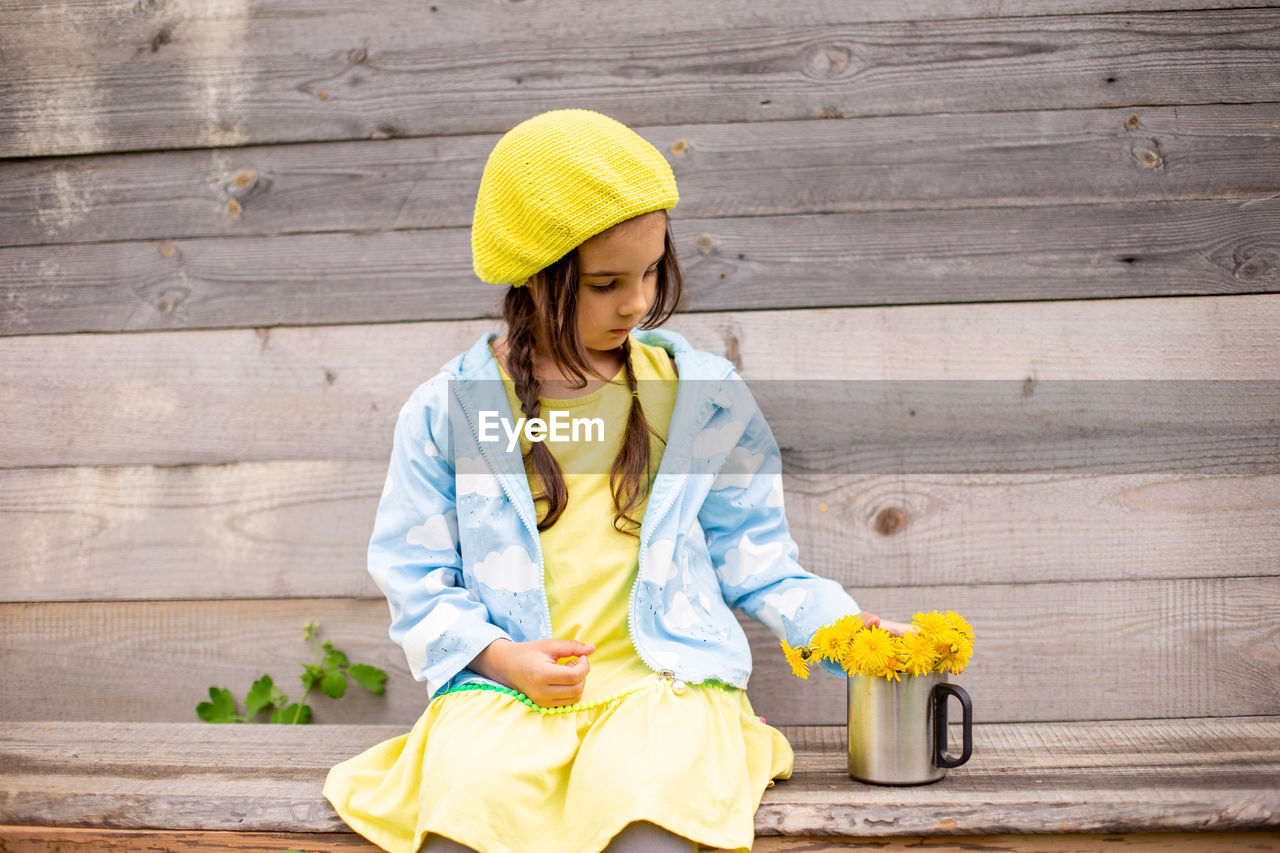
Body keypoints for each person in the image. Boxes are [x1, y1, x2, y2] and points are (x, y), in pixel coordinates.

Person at [323, 108, 913, 853]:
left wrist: (842, 632)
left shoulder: (700, 397)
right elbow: (415, 577)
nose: (637, 302)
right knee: (468, 806)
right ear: (532, 277)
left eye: (650, 270)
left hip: (663, 694)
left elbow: (755, 555)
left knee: (647, 814)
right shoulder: (449, 411)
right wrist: (503, 659)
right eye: (607, 282)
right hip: (508, 696)